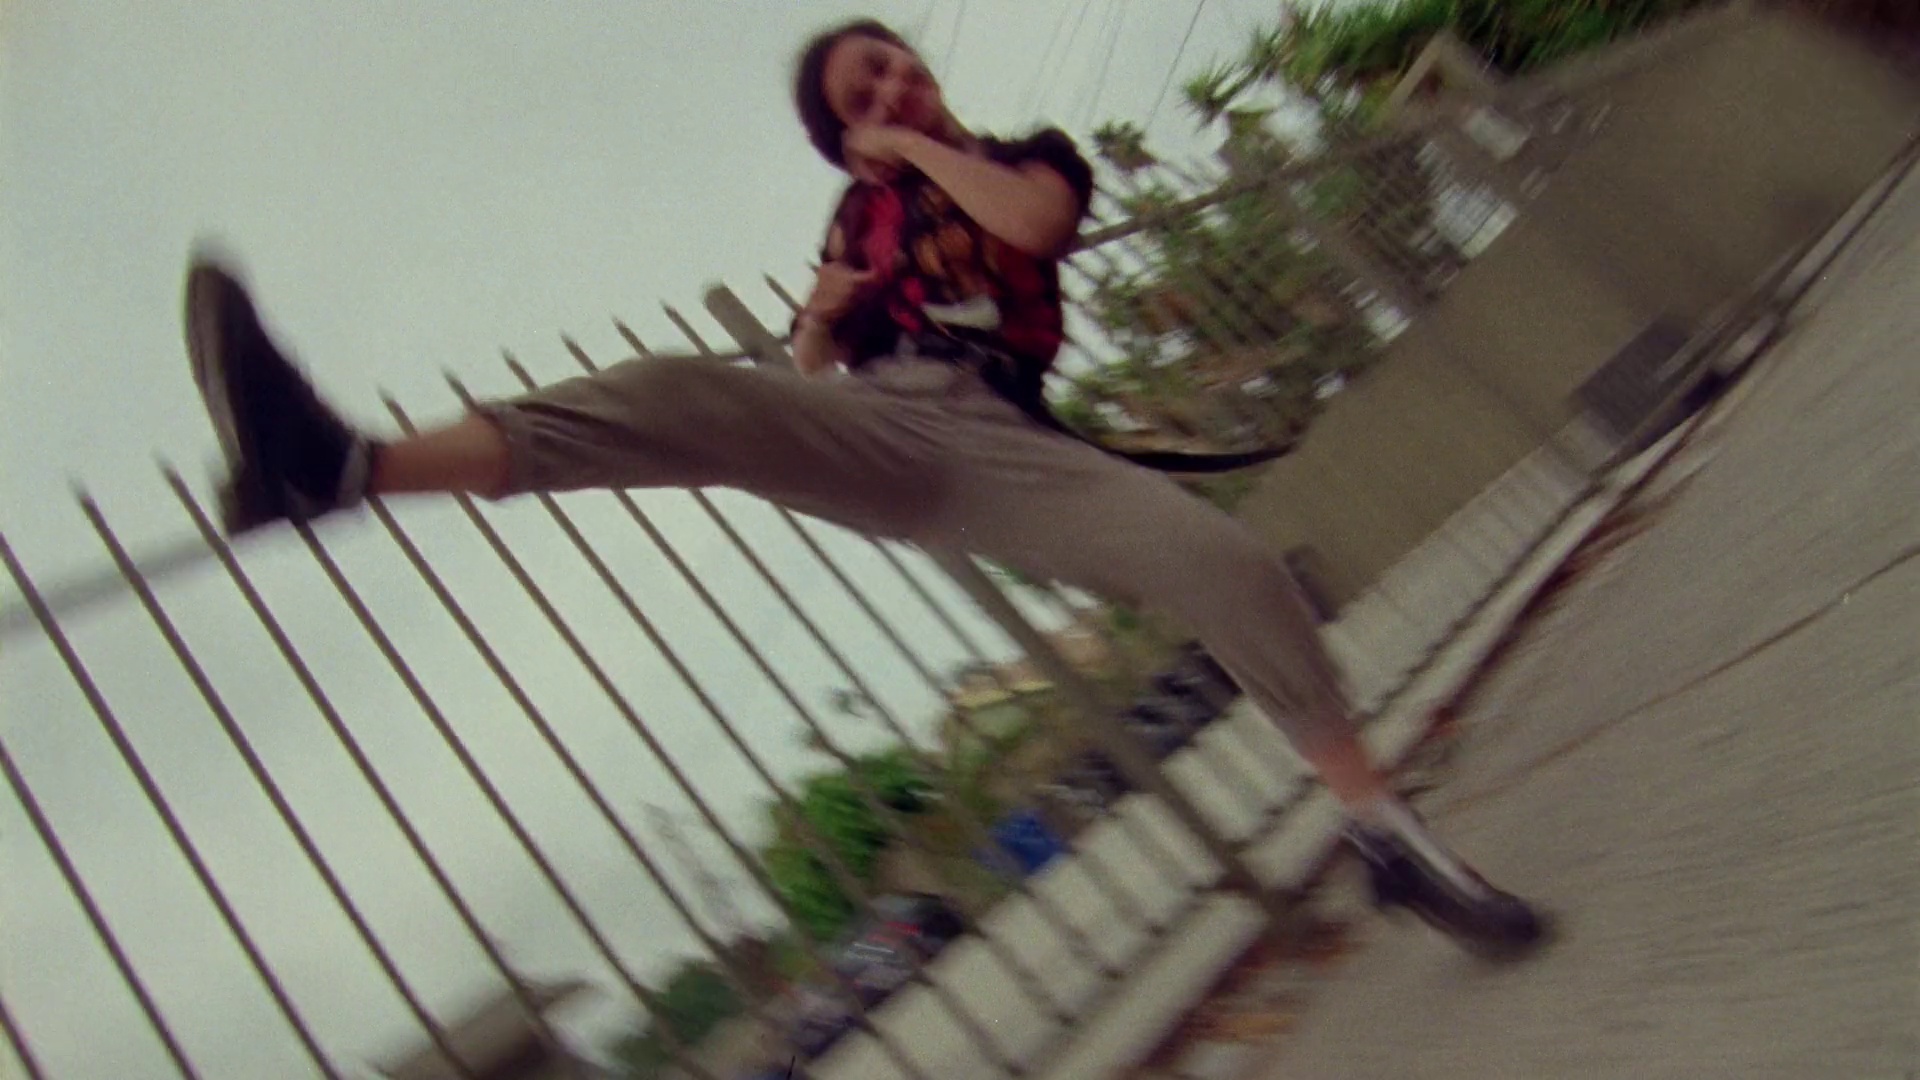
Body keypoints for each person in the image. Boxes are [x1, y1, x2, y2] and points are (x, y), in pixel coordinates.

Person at [182, 17, 1547, 956]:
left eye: (890, 68)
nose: (886, 91)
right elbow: (810, 381)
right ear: (837, 146)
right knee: (680, 393)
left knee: (1228, 567)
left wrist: (911, 146)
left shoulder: (1023, 157)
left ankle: (1383, 833)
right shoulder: (852, 222)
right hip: (884, 427)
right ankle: (341, 466)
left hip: (1006, 444)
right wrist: (824, 318)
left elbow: (1031, 228)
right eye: (858, 98)